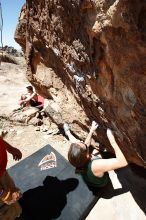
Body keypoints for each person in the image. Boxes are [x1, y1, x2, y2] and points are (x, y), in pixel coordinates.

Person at [64, 121, 128, 188]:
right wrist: (112, 140)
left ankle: (68, 133)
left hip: (89, 176)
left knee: (90, 150)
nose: (82, 141)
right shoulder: (95, 165)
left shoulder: (76, 159)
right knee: (95, 151)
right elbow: (123, 162)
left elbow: (86, 145)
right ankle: (68, 133)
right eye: (81, 142)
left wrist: (91, 130)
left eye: (81, 142)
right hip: (102, 182)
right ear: (87, 156)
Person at [0, 137, 22, 219]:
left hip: (2, 173)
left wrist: (10, 148)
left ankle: (15, 212)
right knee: (4, 211)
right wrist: (3, 194)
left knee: (14, 196)